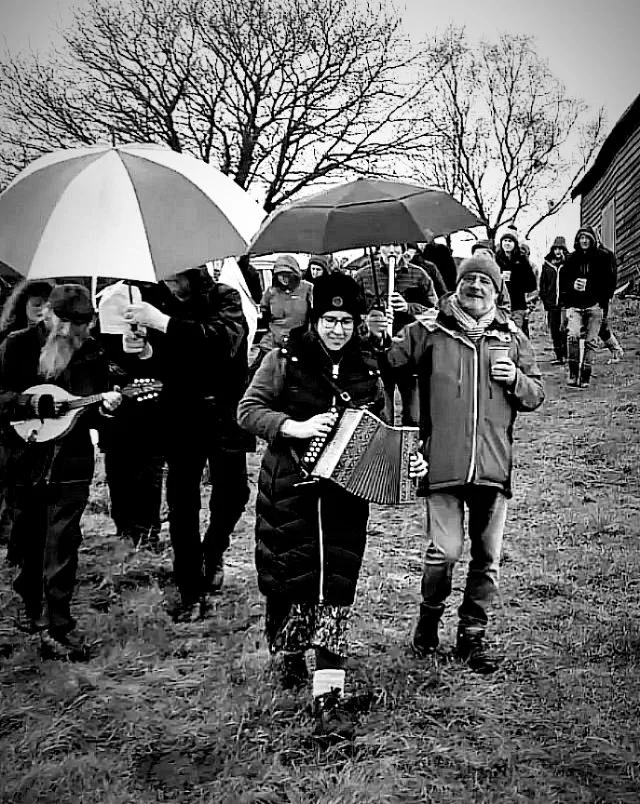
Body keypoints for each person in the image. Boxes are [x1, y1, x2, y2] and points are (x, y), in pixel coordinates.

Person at [238, 272, 427, 743]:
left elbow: (384, 429)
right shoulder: (283, 357)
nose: (338, 329)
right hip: (290, 489)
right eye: (329, 319)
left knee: (336, 584)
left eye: (346, 320)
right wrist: (293, 427)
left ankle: (329, 693)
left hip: (345, 496)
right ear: (315, 317)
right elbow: (247, 410)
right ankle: (289, 652)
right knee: (291, 576)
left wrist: (410, 463)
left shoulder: (369, 366)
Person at [379, 256, 544, 674]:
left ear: (496, 290)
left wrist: (517, 382)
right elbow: (388, 363)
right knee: (444, 552)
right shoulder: (429, 330)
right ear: (456, 286)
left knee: (487, 557)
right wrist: (379, 333)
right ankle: (429, 620)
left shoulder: (512, 336)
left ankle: (472, 636)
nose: (475, 286)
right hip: (441, 466)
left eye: (483, 280)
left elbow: (535, 394)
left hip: (493, 467)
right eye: (468, 278)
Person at [0, 284, 122, 659]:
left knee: (63, 540)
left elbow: (98, 405)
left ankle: (58, 623)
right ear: (49, 314)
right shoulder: (18, 345)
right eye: (64, 322)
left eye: (79, 325)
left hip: (72, 460)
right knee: (29, 536)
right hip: (25, 456)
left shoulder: (94, 352)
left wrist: (109, 408)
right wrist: (28, 402)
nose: (70, 333)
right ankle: (32, 609)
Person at [124, 267, 251, 620]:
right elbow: (162, 363)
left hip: (225, 410)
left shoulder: (223, 297)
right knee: (182, 503)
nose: (169, 279)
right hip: (180, 412)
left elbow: (223, 343)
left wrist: (163, 324)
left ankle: (213, 550)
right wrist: (144, 350)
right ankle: (190, 586)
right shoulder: (152, 300)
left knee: (234, 493)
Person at [355, 242, 438, 424]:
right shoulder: (363, 276)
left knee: (414, 415)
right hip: (375, 354)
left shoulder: (419, 275)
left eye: (397, 246)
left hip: (409, 353)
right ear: (379, 248)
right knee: (383, 415)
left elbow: (434, 312)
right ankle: (386, 450)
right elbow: (352, 315)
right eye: (387, 245)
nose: (392, 251)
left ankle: (410, 449)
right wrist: (371, 321)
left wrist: (408, 307)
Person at [560, 226, 616, 388]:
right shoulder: (571, 259)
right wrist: (572, 287)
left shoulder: (602, 258)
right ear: (577, 240)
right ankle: (572, 372)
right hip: (575, 306)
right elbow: (563, 283)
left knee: (591, 341)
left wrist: (602, 303)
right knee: (573, 336)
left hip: (595, 305)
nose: (584, 241)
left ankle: (585, 375)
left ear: (592, 239)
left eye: (587, 238)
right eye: (581, 238)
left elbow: (608, 283)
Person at [252, 255, 313, 371]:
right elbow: (265, 316)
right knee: (257, 371)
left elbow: (313, 315)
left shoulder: (307, 288)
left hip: (299, 341)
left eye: (287, 275)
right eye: (280, 275)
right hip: (273, 341)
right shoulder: (271, 292)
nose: (284, 278)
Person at [495, 231, 537, 335]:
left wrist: (517, 281)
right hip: (500, 306)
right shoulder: (496, 260)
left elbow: (532, 284)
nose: (507, 243)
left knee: (517, 334)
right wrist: (499, 278)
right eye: (505, 241)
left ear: (515, 244)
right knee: (502, 335)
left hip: (518, 305)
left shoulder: (522, 261)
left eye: (510, 241)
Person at [540, 236, 569, 365]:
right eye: (556, 249)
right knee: (554, 330)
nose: (558, 251)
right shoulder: (547, 265)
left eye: (560, 249)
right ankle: (559, 356)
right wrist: (545, 300)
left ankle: (566, 355)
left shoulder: (568, 263)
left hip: (564, 303)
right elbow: (543, 284)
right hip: (551, 304)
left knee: (564, 330)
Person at [0, 279, 54, 345]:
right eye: (37, 304)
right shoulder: (10, 337)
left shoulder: (51, 334)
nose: (42, 309)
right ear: (23, 304)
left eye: (48, 306)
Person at [596, 240, 624, 363]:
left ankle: (616, 350)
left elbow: (612, 276)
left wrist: (609, 294)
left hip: (602, 296)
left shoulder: (607, 255)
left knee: (601, 325)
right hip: (587, 297)